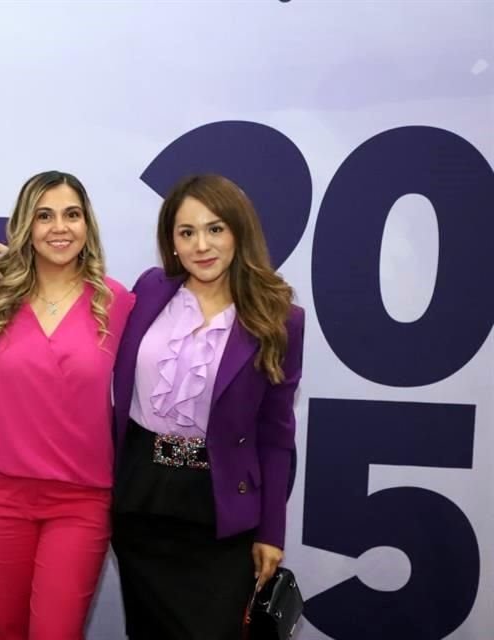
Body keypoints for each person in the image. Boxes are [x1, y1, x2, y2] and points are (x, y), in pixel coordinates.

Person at [110, 174, 305, 639]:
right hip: (142, 501)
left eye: (215, 229)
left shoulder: (279, 317)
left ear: (239, 231)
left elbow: (277, 434)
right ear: (171, 242)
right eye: (187, 232)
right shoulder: (151, 291)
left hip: (220, 512)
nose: (202, 245)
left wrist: (271, 531)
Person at [0, 171, 135, 640]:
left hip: (80, 501)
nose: (59, 227)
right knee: (4, 631)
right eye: (44, 216)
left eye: (71, 215)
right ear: (26, 225)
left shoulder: (116, 302)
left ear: (88, 225)